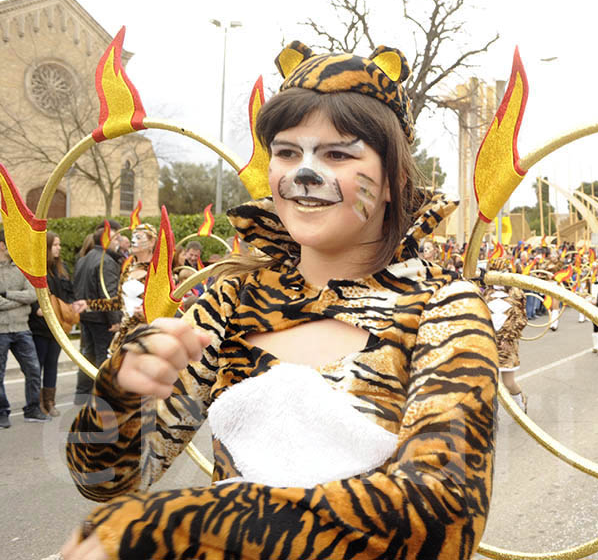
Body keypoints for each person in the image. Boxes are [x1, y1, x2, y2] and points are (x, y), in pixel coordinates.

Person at [60, 42, 498, 559]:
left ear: (391, 183)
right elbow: (105, 482)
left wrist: (175, 529)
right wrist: (120, 397)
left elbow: (442, 517)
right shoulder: (229, 302)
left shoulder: (443, 310)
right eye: (287, 153)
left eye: (338, 153)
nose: (303, 174)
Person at [28, 231, 86, 417]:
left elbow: (70, 292)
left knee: (52, 363)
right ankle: (36, 403)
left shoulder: (63, 268)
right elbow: (33, 294)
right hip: (40, 325)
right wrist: (38, 308)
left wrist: (73, 305)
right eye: (55, 245)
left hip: (59, 324)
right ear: (46, 247)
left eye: (59, 245)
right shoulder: (37, 268)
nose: (59, 248)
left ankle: (49, 401)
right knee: (38, 365)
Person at [0, 229, 50, 427]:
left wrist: (6, 293)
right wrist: (19, 299)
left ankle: (32, 408)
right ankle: (2, 411)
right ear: (3, 246)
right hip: (1, 330)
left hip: (22, 328)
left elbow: (32, 295)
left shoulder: (22, 268)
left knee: (33, 369)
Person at [71, 220, 122, 404]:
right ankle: (102, 397)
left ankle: (82, 394)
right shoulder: (106, 262)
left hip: (86, 316)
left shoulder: (83, 258)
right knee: (103, 356)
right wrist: (115, 319)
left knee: (87, 354)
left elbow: (77, 287)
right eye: (115, 239)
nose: (119, 242)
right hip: (101, 318)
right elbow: (109, 293)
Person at [483, 256, 528, 412]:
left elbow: (521, 319)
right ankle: (491, 416)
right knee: (489, 382)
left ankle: (520, 405)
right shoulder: (486, 293)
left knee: (508, 382)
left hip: (507, 344)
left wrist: (508, 339)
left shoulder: (516, 293)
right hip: (489, 343)